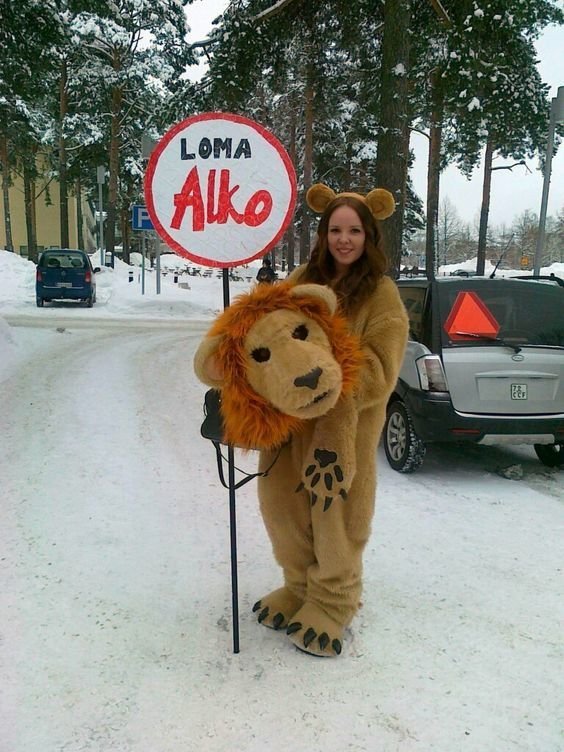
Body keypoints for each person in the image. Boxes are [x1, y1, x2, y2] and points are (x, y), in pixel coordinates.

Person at [253, 183, 409, 656]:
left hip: (344, 430)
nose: (344, 239)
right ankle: (298, 587)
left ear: (369, 236)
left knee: (335, 514)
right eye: (336, 229)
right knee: (281, 506)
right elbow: (273, 335)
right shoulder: (300, 278)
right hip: (289, 422)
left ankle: (333, 600)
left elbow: (381, 370)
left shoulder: (381, 295)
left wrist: (329, 383)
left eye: (355, 230)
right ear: (323, 233)